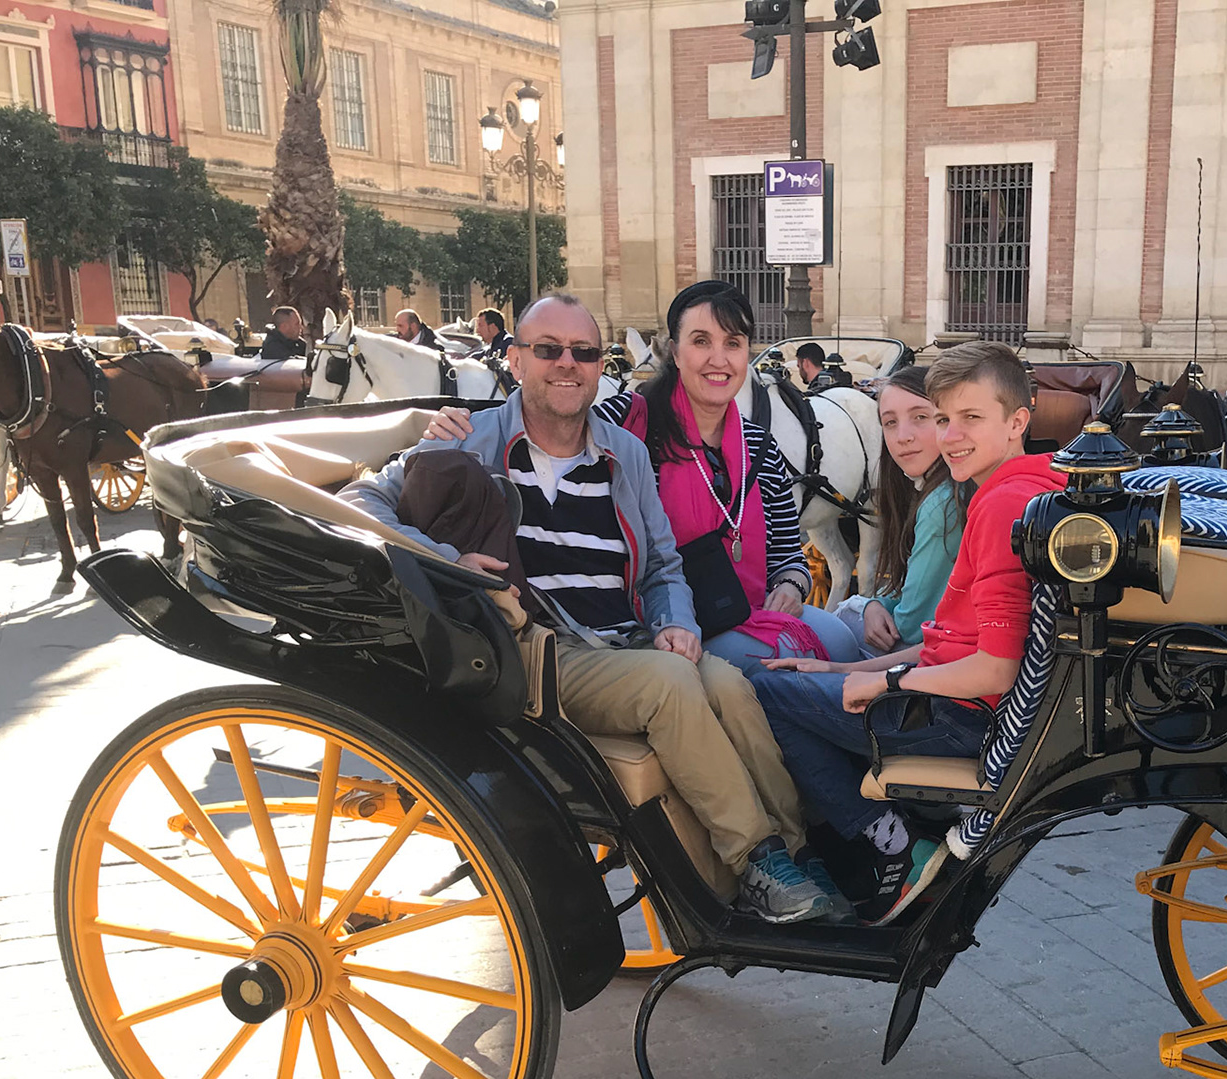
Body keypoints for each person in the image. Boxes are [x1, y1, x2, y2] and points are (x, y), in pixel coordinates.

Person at [343, 293, 844, 923]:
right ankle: (755, 862)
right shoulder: (469, 438)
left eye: (583, 352)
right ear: (516, 360)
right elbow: (361, 501)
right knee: (668, 684)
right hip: (534, 649)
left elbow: (662, 565)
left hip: (624, 639)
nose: (567, 364)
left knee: (729, 685)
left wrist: (676, 622)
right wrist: (446, 560)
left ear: (599, 365)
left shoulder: (622, 453)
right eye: (548, 349)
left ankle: (797, 854)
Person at [748, 341, 1063, 922]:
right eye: (944, 419)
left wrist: (885, 683)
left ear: (1018, 422)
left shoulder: (998, 507)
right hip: (955, 704)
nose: (951, 437)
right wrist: (842, 669)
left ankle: (887, 840)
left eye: (970, 418)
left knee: (763, 691)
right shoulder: (1023, 488)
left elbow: (994, 668)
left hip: (953, 718)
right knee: (801, 681)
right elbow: (950, 641)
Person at [596, 280, 859, 673]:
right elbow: (552, 433)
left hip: (746, 610)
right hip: (657, 623)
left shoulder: (760, 447)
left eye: (733, 343)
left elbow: (789, 554)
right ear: (675, 352)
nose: (718, 359)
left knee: (842, 640)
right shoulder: (627, 422)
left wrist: (790, 586)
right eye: (701, 341)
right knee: (787, 657)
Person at [829, 366, 965, 657]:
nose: (902, 436)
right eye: (890, 423)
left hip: (934, 659)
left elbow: (913, 625)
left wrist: (866, 606)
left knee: (840, 621)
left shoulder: (941, 505)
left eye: (920, 417)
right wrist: (875, 603)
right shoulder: (942, 492)